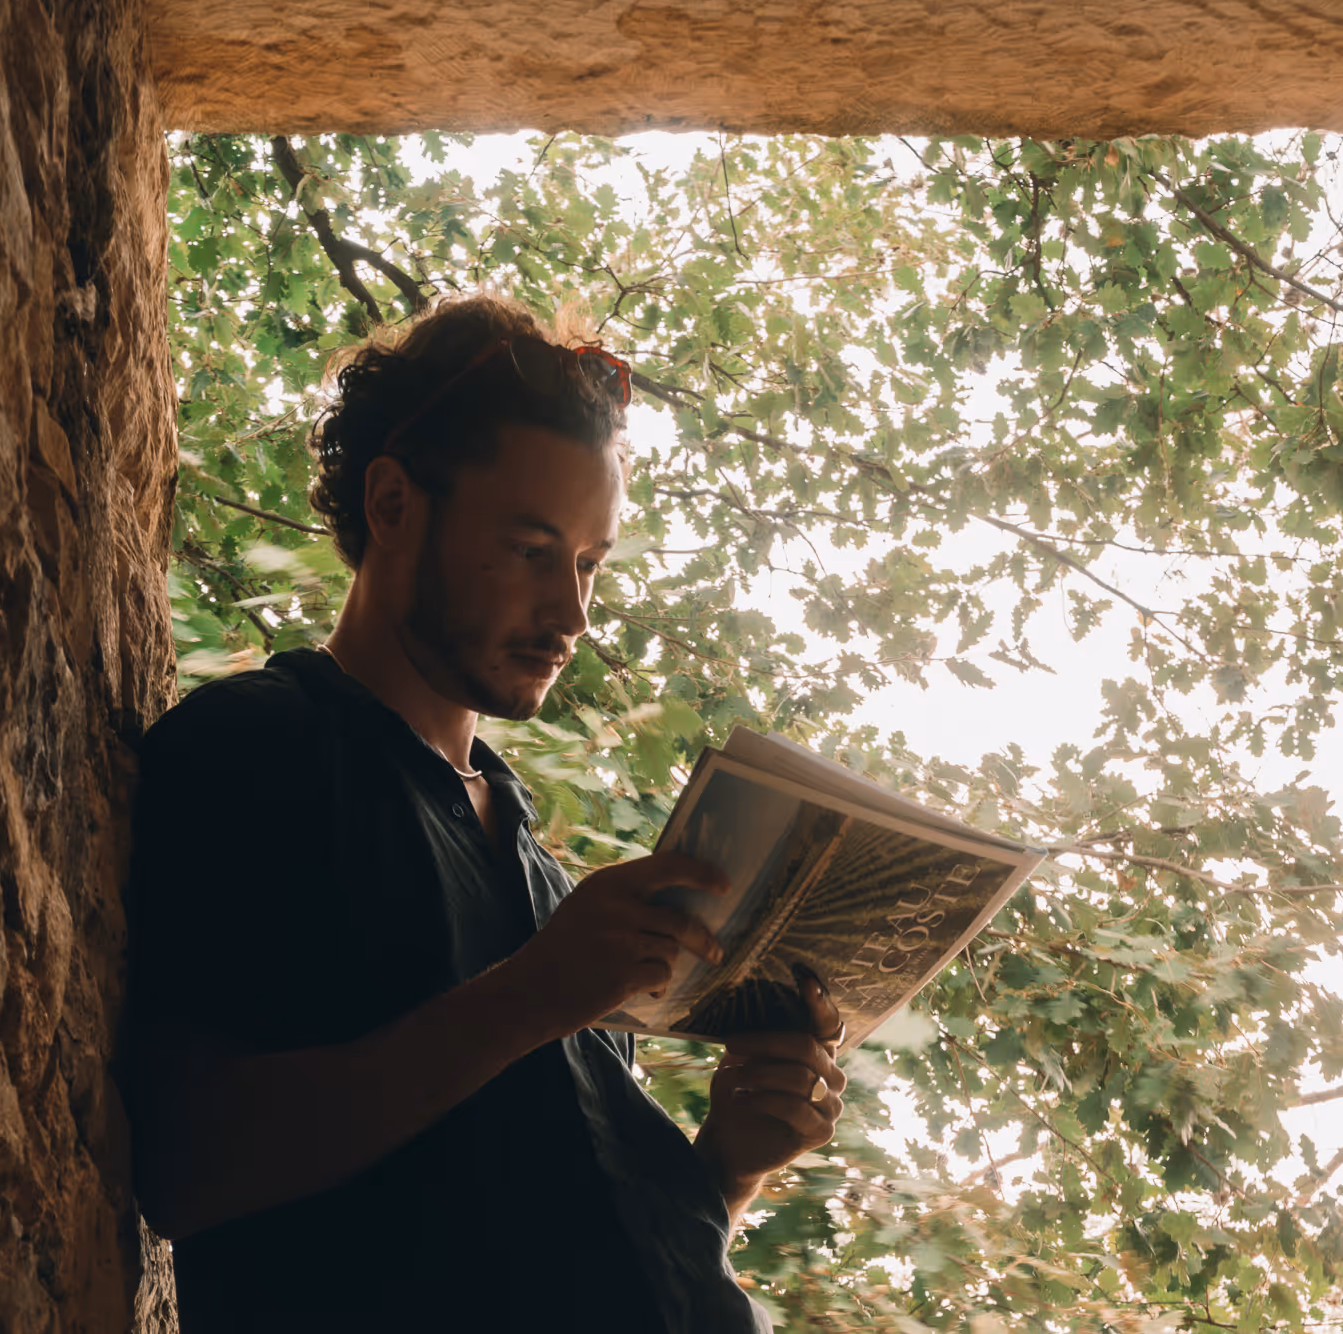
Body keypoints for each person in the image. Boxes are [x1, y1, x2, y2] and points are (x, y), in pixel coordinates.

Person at [121, 294, 845, 1332]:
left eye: (588, 564)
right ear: (393, 502)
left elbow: (564, 1241)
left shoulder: (544, 875)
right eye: (530, 548)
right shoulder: (260, 748)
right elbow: (187, 1168)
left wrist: (726, 1168)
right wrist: (531, 997)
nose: (571, 615)